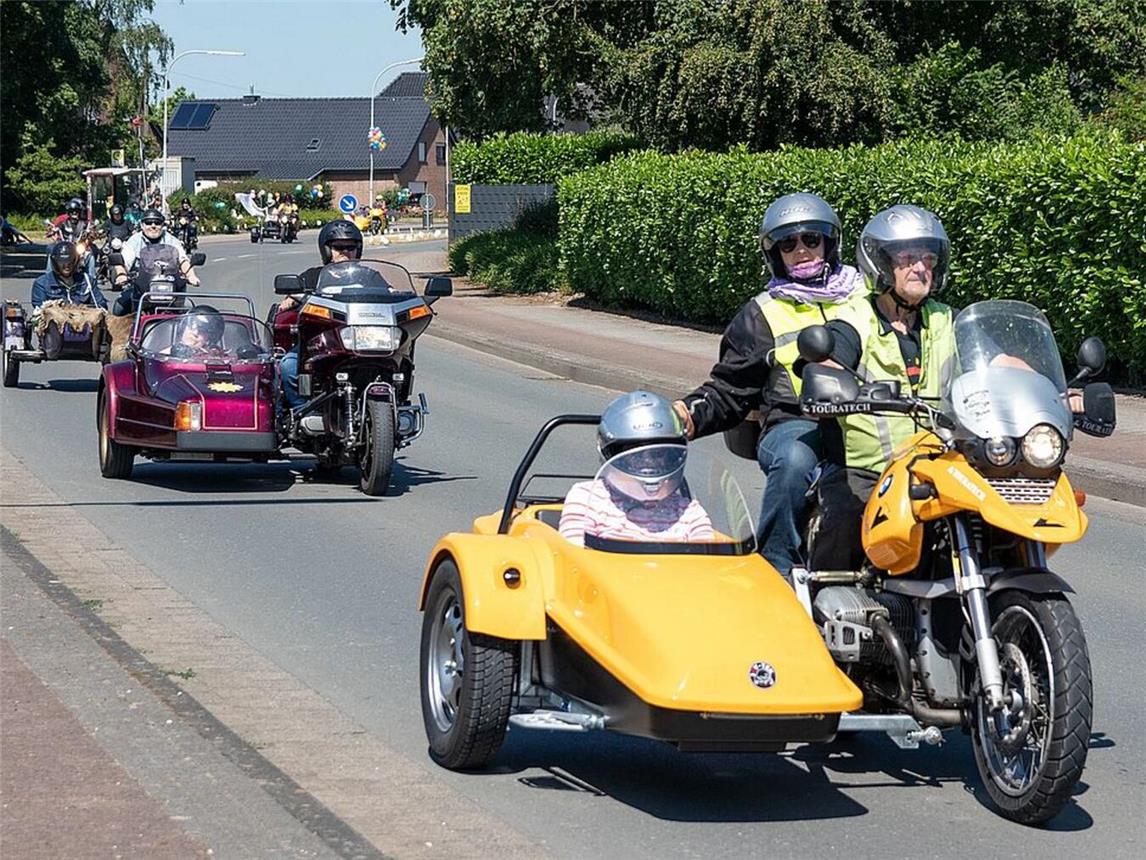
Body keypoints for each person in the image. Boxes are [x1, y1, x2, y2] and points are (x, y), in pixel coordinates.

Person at [671, 192, 865, 576]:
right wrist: (686, 414)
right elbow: (731, 387)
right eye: (788, 244)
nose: (802, 250)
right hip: (796, 421)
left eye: (812, 239)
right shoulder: (761, 313)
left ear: (830, 242)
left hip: (866, 420)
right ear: (775, 253)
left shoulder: (866, 296)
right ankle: (775, 570)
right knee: (793, 462)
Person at [808, 204, 957, 570]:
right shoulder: (855, 317)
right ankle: (819, 602)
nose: (921, 267)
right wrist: (829, 380)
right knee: (845, 514)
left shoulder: (944, 318)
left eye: (928, 258)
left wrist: (1051, 389)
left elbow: (994, 360)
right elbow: (828, 356)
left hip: (940, 466)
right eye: (908, 258)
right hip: (870, 470)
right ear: (881, 263)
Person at [559, 391, 714, 546]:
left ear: (672, 455)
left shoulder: (687, 509)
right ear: (612, 452)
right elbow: (573, 554)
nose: (648, 461)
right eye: (636, 454)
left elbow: (710, 561)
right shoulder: (587, 498)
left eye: (658, 453)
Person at [278, 220, 365, 409]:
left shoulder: (369, 276)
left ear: (358, 250)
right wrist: (291, 299)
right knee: (289, 366)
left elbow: (390, 293)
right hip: (322, 343)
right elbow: (291, 295)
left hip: (361, 343)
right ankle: (301, 410)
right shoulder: (313, 276)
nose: (344, 252)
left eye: (350, 247)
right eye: (338, 247)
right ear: (327, 250)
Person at [111, 208, 200, 315]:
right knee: (120, 307)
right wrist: (121, 274)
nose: (153, 226)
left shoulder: (172, 240)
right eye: (148, 223)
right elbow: (124, 261)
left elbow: (183, 260)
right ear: (142, 225)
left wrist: (191, 275)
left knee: (190, 310)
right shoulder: (134, 241)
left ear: (162, 225)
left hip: (171, 288)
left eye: (157, 223)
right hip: (141, 289)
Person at [31, 241, 108, 358]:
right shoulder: (41, 283)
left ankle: (94, 347)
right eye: (61, 262)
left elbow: (101, 304)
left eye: (70, 262)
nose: (66, 266)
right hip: (54, 336)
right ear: (55, 263)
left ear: (76, 261)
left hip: (87, 332)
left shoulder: (87, 281)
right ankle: (52, 347)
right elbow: (38, 309)